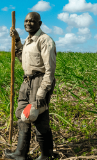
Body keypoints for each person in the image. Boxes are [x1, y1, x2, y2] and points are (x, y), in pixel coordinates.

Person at [4, 12, 57, 160]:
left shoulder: (45, 40)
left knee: (38, 116)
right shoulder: (28, 41)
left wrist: (42, 91)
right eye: (26, 21)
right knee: (22, 115)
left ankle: (46, 155)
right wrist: (17, 39)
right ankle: (20, 153)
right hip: (26, 81)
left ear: (39, 24)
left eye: (32, 21)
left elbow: (50, 70)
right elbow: (23, 59)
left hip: (40, 81)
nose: (28, 23)